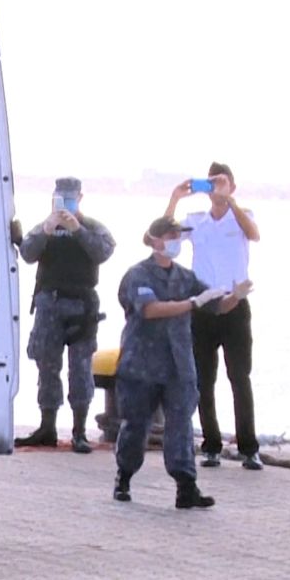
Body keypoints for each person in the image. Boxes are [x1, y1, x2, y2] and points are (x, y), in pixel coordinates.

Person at [112, 216, 252, 509]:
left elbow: (215, 305)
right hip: (143, 364)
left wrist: (234, 297)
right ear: (154, 240)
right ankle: (123, 477)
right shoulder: (139, 275)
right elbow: (149, 310)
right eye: (170, 235)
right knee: (136, 426)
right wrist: (191, 304)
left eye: (179, 235)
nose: (176, 240)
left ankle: (186, 487)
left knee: (181, 426)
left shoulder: (185, 277)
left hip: (178, 365)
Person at [164, 162, 263, 470]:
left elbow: (254, 234)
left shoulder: (242, 214)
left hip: (234, 304)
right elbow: (168, 247)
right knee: (203, 380)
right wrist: (175, 198)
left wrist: (228, 200)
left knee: (239, 378)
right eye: (213, 184)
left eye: (223, 183)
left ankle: (249, 448)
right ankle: (211, 446)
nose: (218, 188)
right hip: (204, 306)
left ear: (233, 186)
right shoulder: (196, 221)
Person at [15, 177, 116, 453]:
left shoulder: (93, 227)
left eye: (70, 199)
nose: (65, 204)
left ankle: (79, 430)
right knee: (47, 365)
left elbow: (103, 251)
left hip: (82, 304)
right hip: (50, 302)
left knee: (81, 368)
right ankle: (47, 425)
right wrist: (47, 230)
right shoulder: (46, 227)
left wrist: (77, 229)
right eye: (61, 198)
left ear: (80, 199)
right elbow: (26, 253)